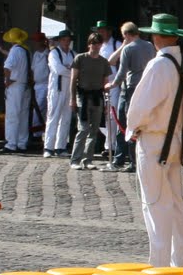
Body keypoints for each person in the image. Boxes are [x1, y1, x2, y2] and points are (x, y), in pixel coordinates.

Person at [124, 14, 183, 266]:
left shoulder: (158, 65)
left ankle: (159, 264)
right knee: (176, 202)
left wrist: (133, 127)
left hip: (154, 139)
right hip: (177, 138)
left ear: (156, 37)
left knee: (155, 203)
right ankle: (180, 260)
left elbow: (141, 105)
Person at [107, 22, 154, 171]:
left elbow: (120, 71)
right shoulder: (149, 46)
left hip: (130, 87)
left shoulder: (128, 48)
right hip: (146, 87)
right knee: (139, 123)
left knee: (125, 123)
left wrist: (112, 84)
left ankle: (124, 159)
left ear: (126, 35)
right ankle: (132, 158)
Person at [69, 33, 113, 169]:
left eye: (98, 43)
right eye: (93, 43)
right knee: (83, 129)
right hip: (83, 96)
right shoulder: (80, 58)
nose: (96, 46)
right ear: (89, 44)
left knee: (94, 130)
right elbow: (73, 80)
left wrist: (106, 103)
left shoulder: (104, 62)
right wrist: (72, 99)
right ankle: (75, 160)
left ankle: (87, 160)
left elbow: (106, 83)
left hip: (97, 98)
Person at [44, 31, 75, 156]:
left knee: (66, 119)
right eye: (63, 40)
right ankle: (48, 147)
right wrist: (71, 71)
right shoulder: (54, 53)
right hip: (56, 90)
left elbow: (78, 68)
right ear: (59, 41)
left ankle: (60, 147)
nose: (66, 42)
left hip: (69, 89)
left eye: (68, 40)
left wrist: (70, 69)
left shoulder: (74, 54)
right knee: (53, 117)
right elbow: (59, 69)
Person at [0, 27, 31, 153]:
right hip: (25, 85)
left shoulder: (14, 51)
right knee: (23, 115)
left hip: (15, 85)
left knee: (12, 115)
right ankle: (22, 142)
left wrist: (7, 81)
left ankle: (11, 143)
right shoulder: (26, 51)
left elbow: (7, 67)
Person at [29, 32, 51, 146]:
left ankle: (36, 133)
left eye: (38, 41)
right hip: (37, 85)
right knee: (37, 108)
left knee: (40, 108)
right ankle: (36, 131)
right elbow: (33, 70)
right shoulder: (36, 54)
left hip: (45, 84)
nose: (36, 43)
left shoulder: (49, 54)